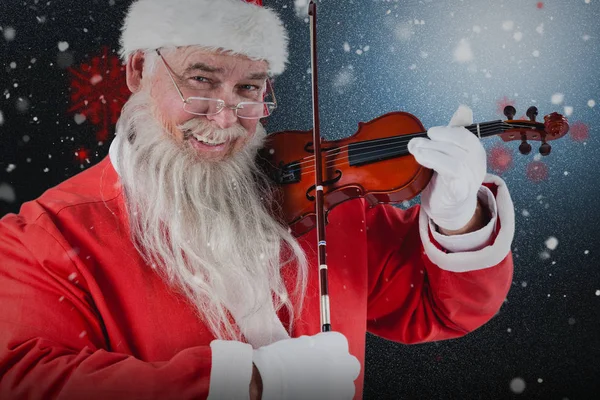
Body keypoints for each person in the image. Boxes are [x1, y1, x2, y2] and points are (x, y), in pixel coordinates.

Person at [0, 0, 515, 399]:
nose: (225, 119)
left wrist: (457, 218)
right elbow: (21, 379)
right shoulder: (41, 238)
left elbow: (435, 308)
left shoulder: (315, 202)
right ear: (138, 69)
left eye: (249, 88)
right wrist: (247, 384)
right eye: (200, 80)